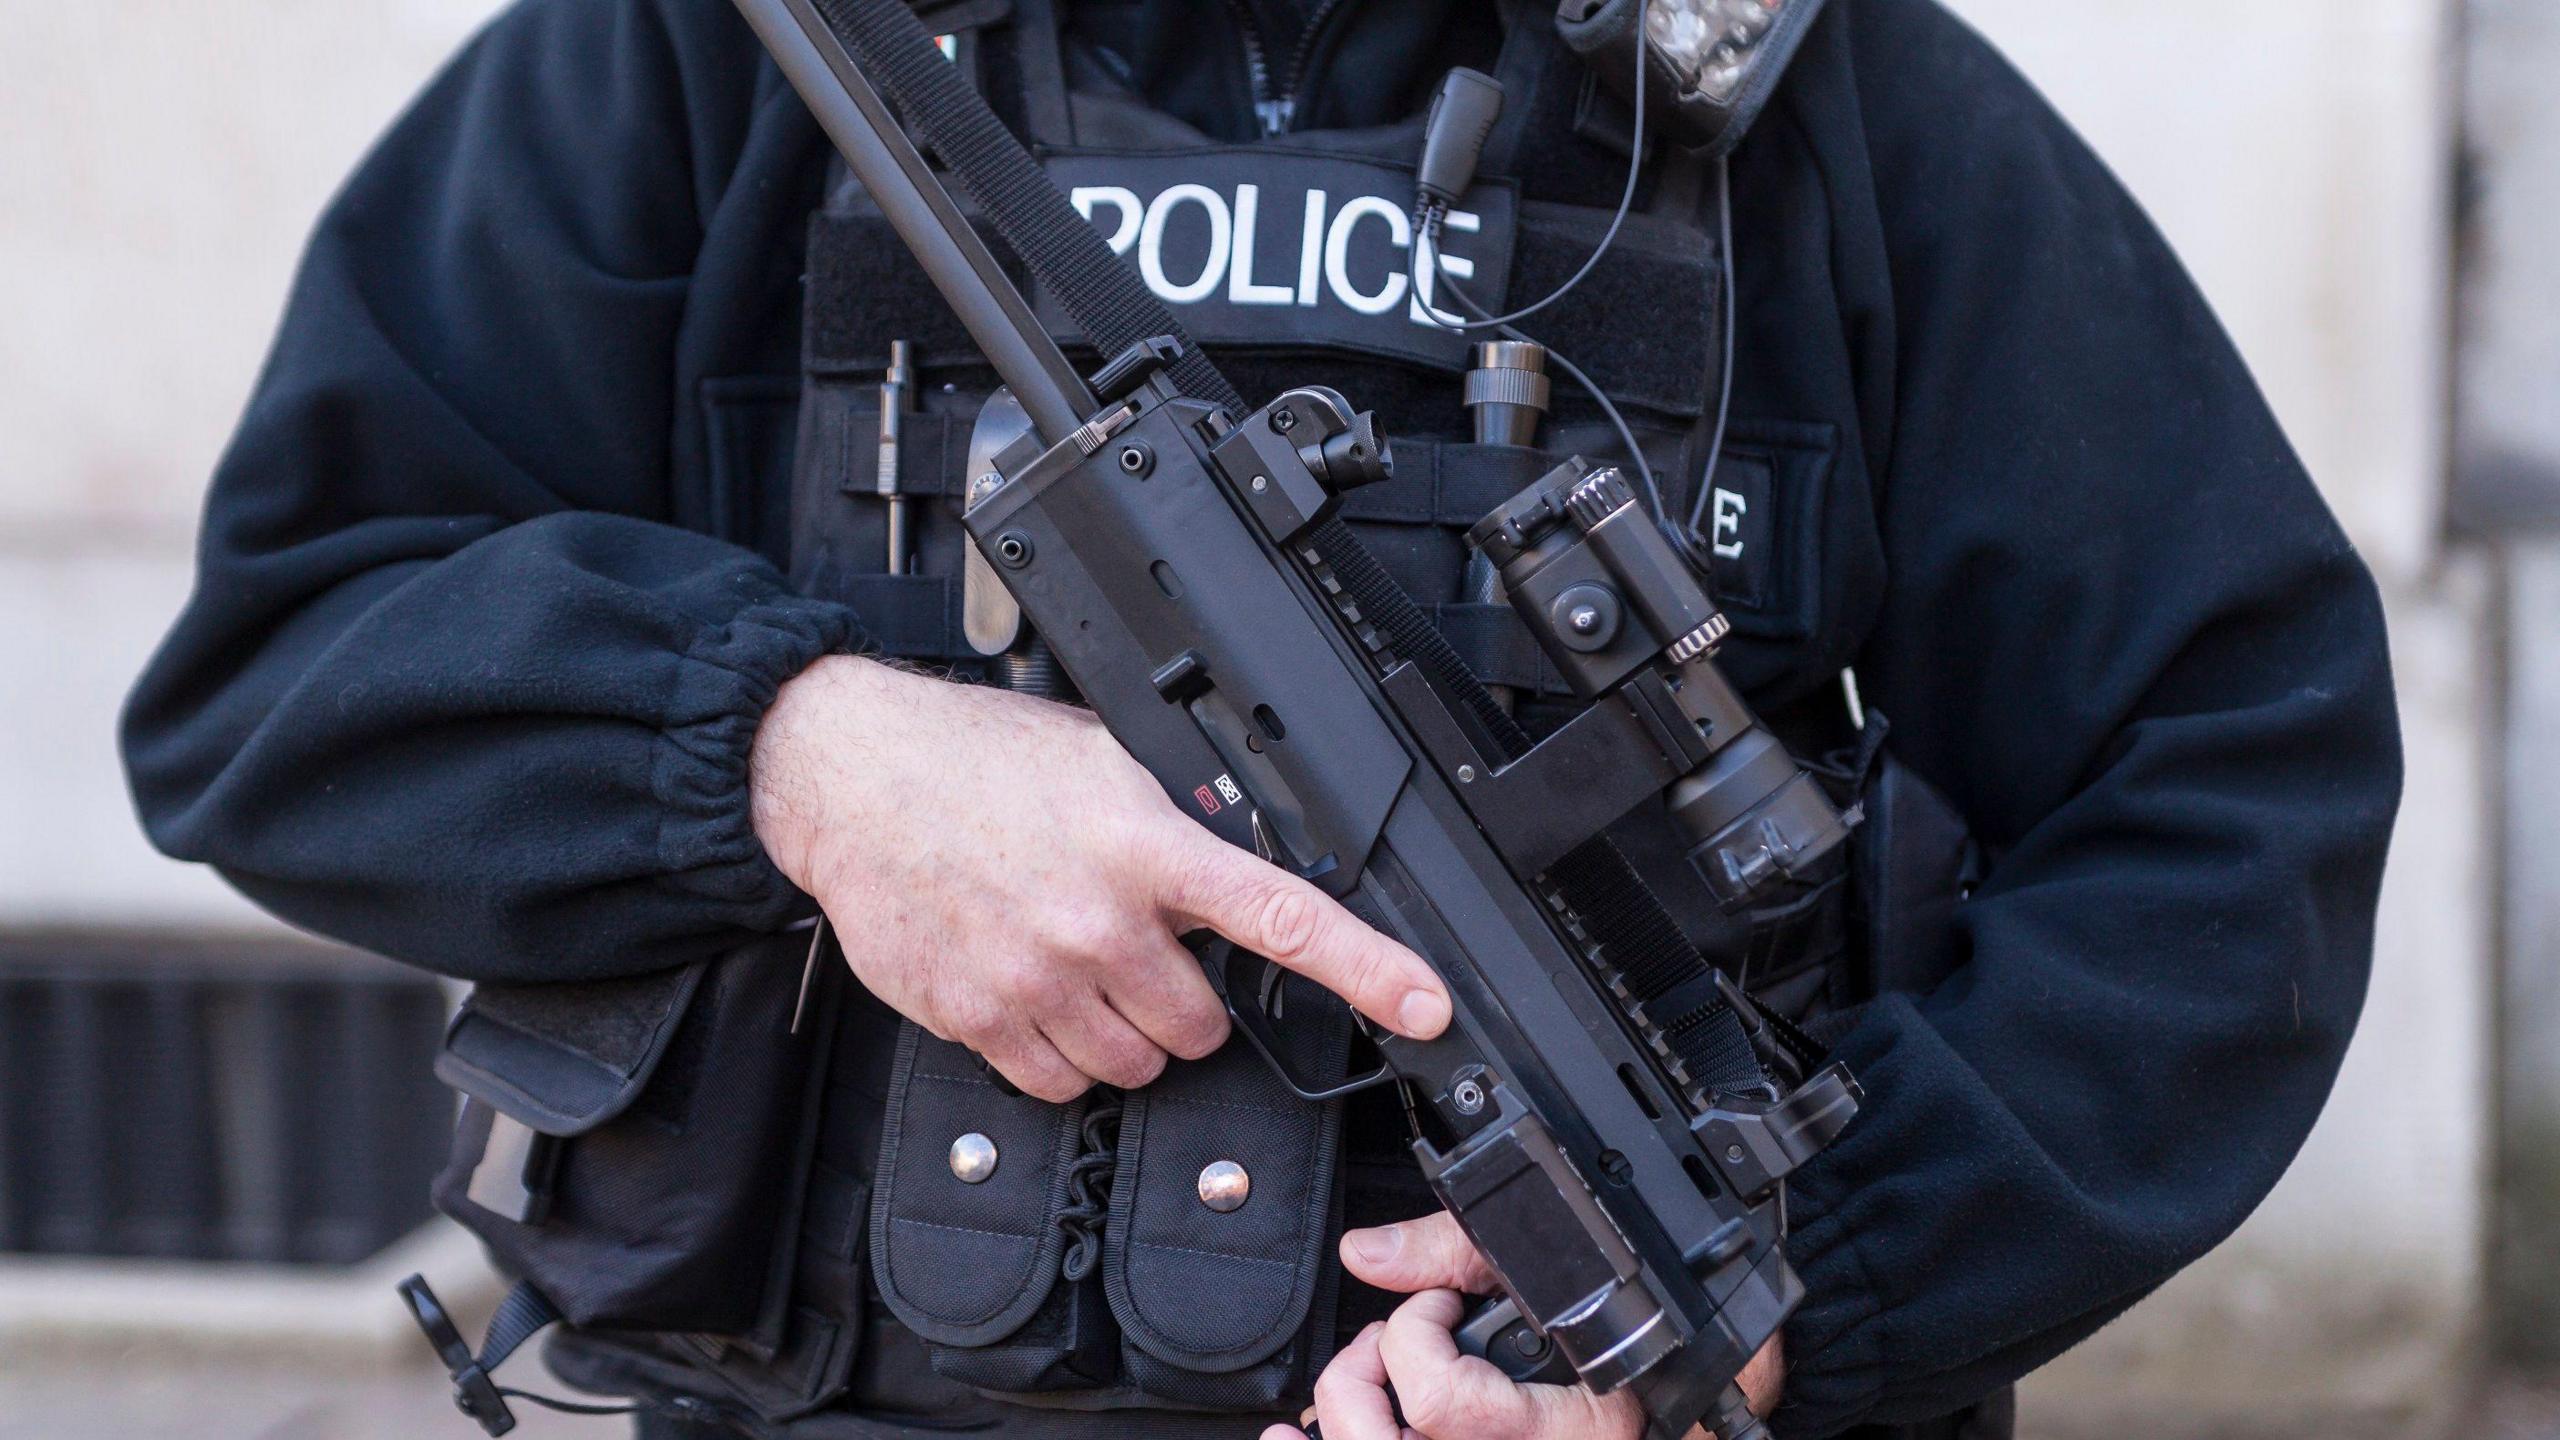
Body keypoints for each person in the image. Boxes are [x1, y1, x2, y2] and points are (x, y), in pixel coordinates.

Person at [120, 1, 2401, 1438]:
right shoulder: (730, 54)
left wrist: (1785, 1307)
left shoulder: (1805, 104)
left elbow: (2231, 776)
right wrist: (796, 757)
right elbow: (288, 661)